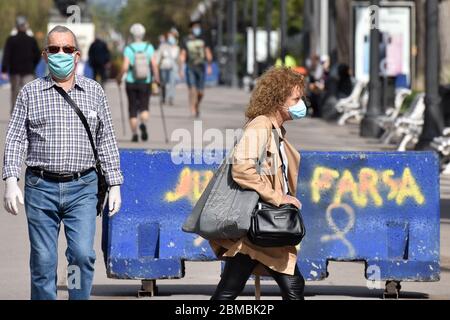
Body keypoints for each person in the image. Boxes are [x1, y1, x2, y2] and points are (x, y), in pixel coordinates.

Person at [2, 25, 123, 300]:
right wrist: (11, 179)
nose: (60, 54)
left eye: (67, 49)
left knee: (80, 255)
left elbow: (106, 140)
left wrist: (115, 183)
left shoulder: (94, 92)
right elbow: (15, 138)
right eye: (54, 49)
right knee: (43, 261)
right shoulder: (30, 93)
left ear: (77, 55)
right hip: (40, 187)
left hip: (82, 187)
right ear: (45, 55)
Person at [210, 67, 307, 300]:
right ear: (277, 100)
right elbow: (242, 169)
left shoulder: (274, 129)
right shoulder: (260, 126)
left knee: (230, 287)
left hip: (262, 226)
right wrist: (279, 198)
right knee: (293, 286)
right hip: (261, 221)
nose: (301, 104)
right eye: (295, 99)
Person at [117, 23, 159, 143]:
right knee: (144, 106)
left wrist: (119, 78)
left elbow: (125, 67)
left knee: (132, 107)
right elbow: (154, 65)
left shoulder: (129, 49)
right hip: (145, 81)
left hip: (131, 81)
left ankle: (134, 133)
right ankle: (143, 124)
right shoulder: (149, 47)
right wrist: (157, 78)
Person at [1, 16, 41, 113]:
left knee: (15, 95)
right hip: (28, 72)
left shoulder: (11, 40)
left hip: (15, 72)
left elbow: (6, 55)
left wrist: (5, 70)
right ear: (25, 26)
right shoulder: (31, 40)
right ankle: (28, 115)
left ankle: (15, 116)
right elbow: (38, 55)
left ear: (17, 26)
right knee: (28, 95)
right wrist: (33, 65)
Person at [180, 20, 213, 118]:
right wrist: (181, 68)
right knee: (192, 89)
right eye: (195, 27)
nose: (197, 29)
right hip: (190, 67)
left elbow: (207, 52)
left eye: (198, 27)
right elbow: (183, 54)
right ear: (191, 28)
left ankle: (197, 105)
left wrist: (209, 65)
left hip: (201, 67)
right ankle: (192, 109)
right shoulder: (185, 40)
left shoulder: (203, 39)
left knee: (201, 92)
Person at [155, 32, 180, 106]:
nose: (170, 38)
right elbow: (158, 57)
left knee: (172, 83)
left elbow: (178, 59)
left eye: (172, 37)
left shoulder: (176, 47)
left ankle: (171, 98)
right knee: (164, 83)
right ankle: (163, 97)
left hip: (173, 67)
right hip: (163, 66)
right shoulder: (163, 46)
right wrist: (156, 66)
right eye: (169, 36)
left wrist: (180, 69)